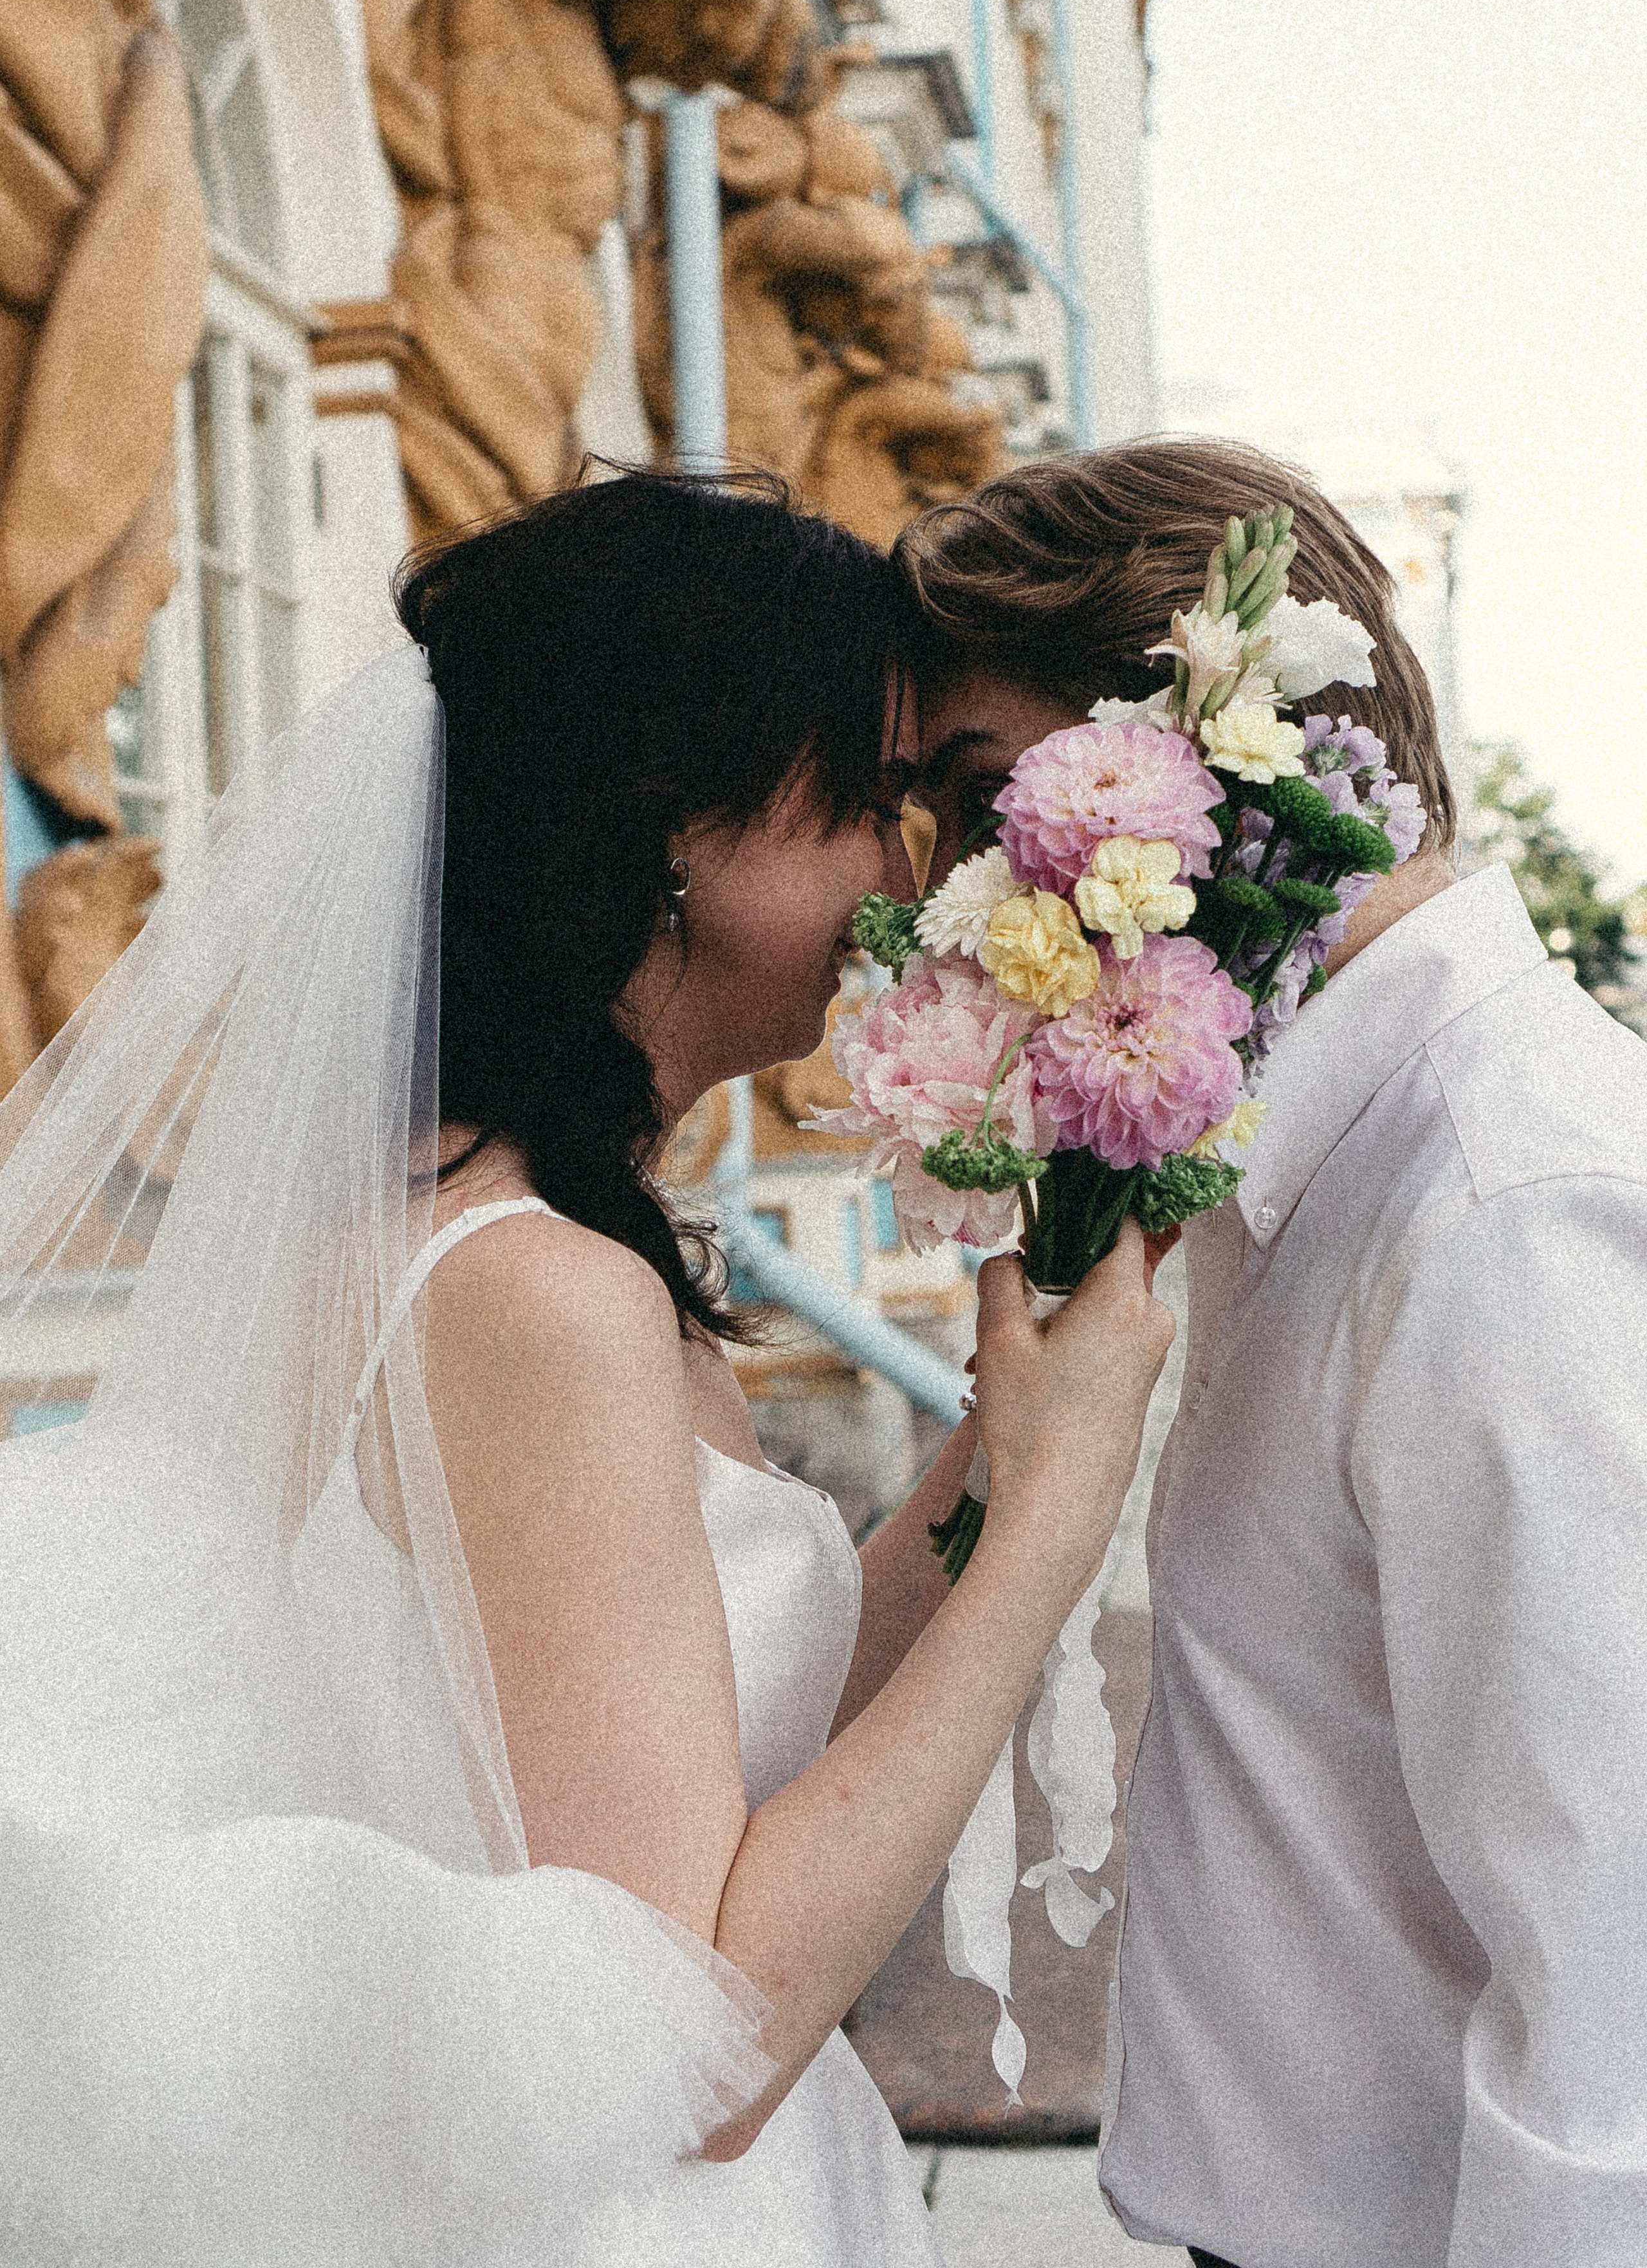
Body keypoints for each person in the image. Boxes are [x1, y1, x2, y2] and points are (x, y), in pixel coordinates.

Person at [0, 466, 1173, 2263]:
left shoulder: (511, 1224)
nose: (905, 870)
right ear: (668, 829)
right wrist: (1049, 1540)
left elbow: (709, 1708)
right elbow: (688, 2045)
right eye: (861, 799)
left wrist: (992, 1466)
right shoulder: (531, 1292)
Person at [898, 438, 1647, 2268]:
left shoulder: (1507, 1202)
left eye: (978, 794)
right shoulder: (1304, 1152)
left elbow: (1620, 1989)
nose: (944, 888)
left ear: (1189, 775)